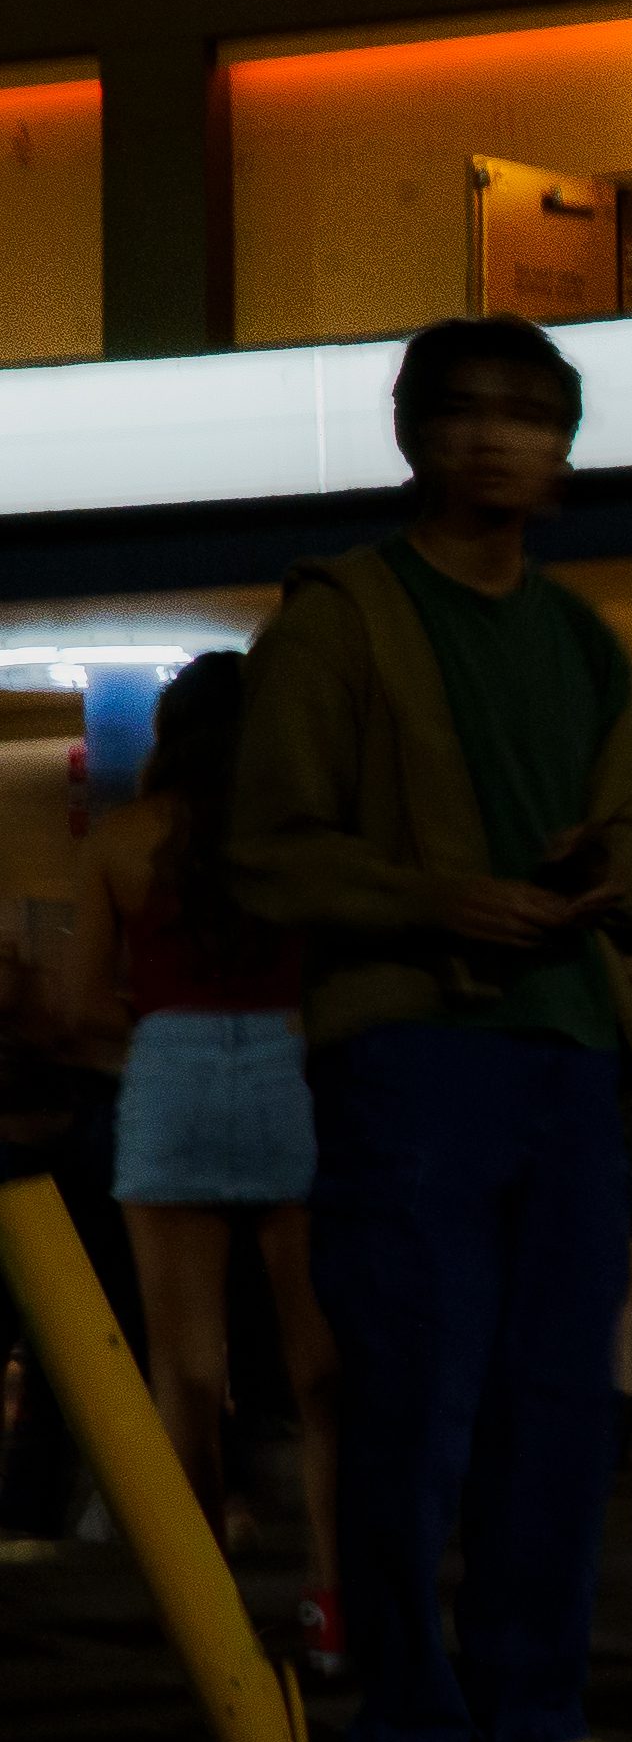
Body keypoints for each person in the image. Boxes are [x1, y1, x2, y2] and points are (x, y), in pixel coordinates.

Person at [231, 315, 632, 1742]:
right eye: (464, 412)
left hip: (562, 1046)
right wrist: (438, 897)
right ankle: (408, 1720)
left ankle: (534, 1709)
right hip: (412, 1049)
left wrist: (607, 867)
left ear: (562, 448)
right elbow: (266, 854)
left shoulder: (581, 640)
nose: (495, 439)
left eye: (527, 416)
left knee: (560, 1402)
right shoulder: (340, 620)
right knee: (414, 1394)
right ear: (413, 433)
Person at [62, 651, 341, 1668]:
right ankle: (332, 1603)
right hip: (286, 1060)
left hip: (170, 1070)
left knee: (186, 1372)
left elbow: (84, 1005)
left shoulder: (124, 841)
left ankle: (209, 1618)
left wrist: (152, 1036)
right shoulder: (294, 840)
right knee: (320, 1370)